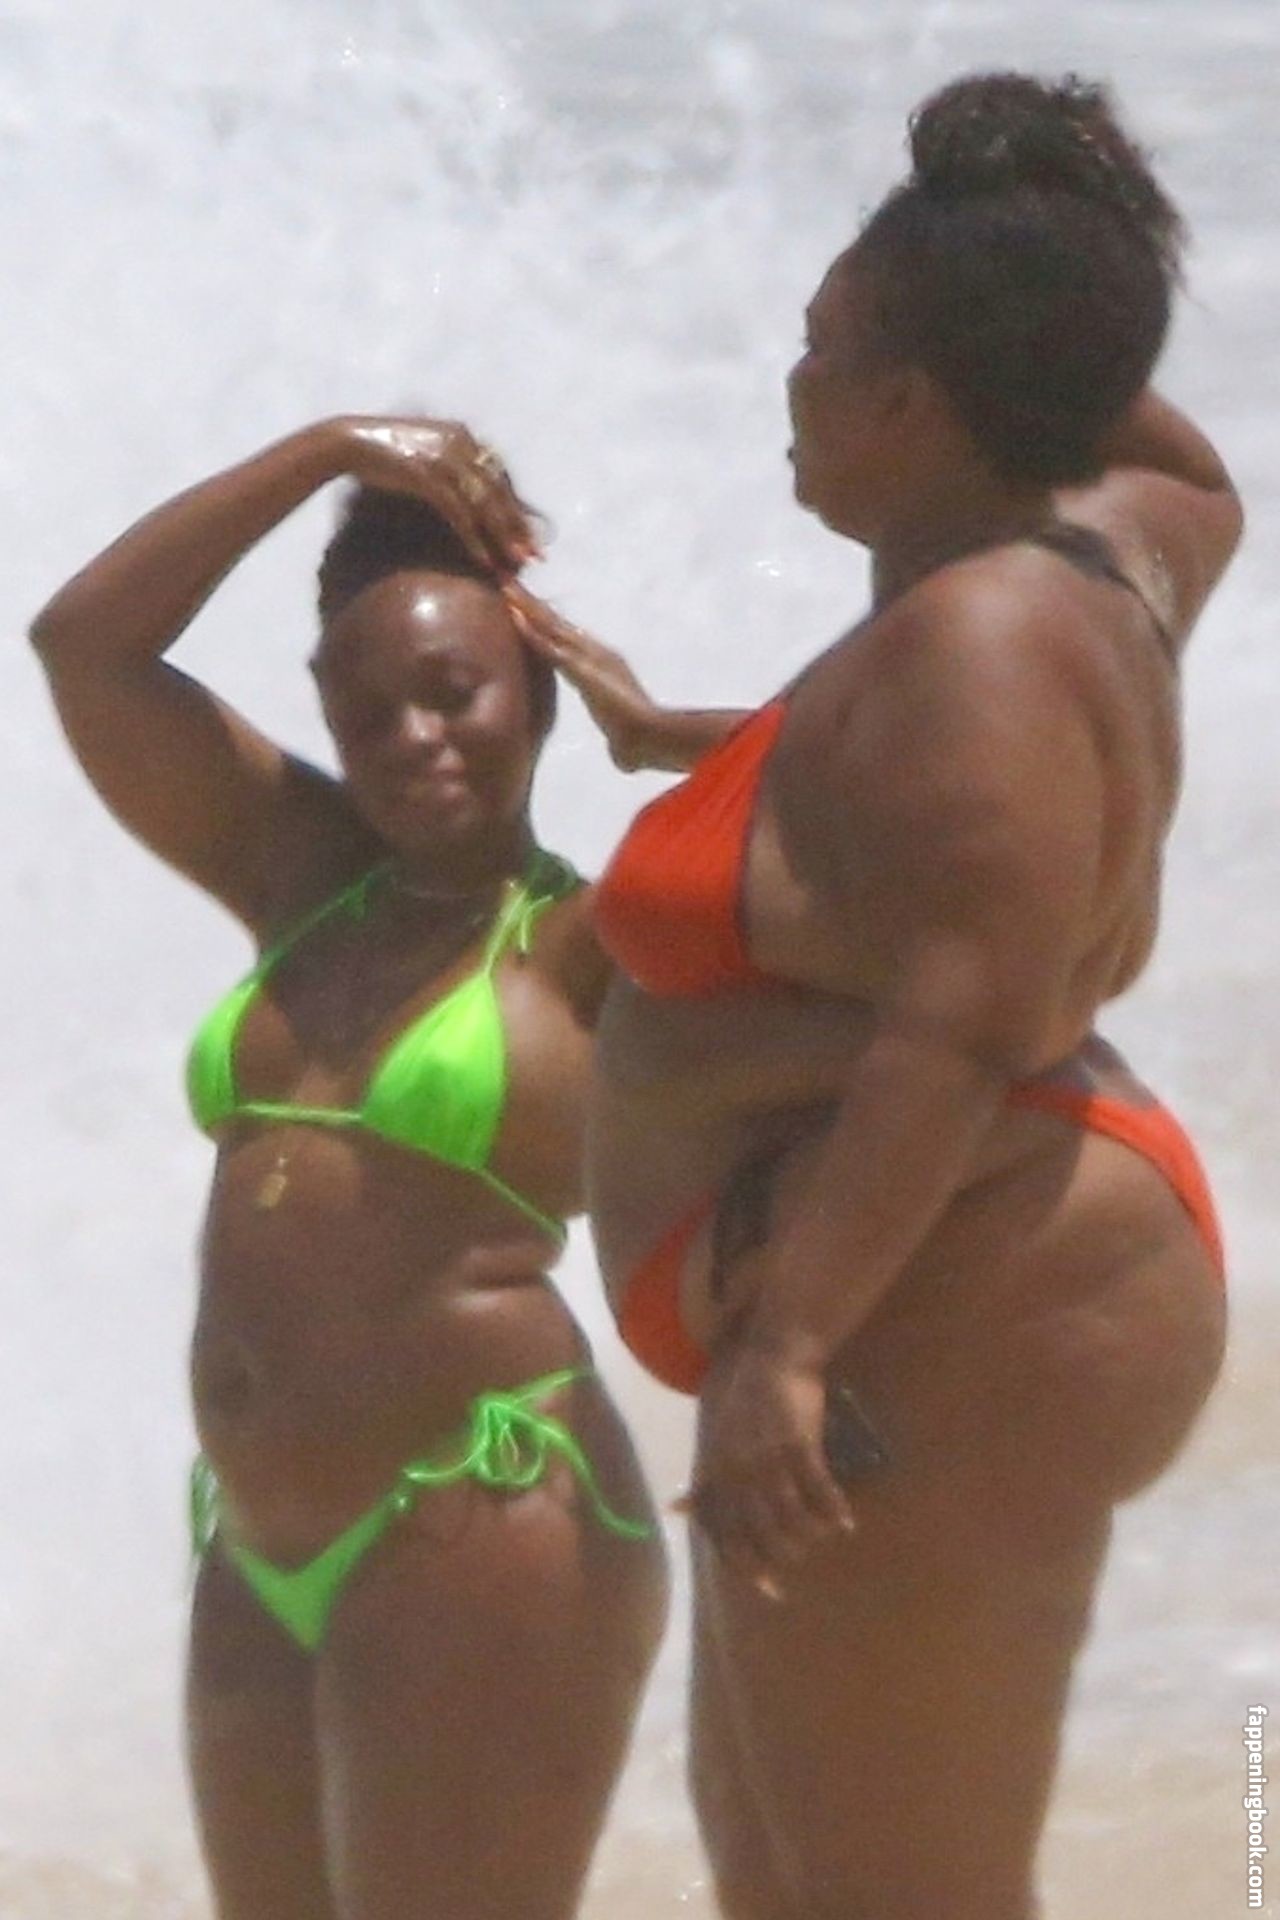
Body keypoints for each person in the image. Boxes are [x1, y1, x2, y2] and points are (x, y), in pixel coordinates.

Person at [575, 72, 1242, 1920]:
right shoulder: (1113, 541)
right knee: (785, 1873)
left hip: (947, 1287)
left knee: (893, 1894)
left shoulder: (982, 647)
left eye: (824, 350)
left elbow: (964, 1020)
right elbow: (1194, 476)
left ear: (911, 403)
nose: (788, 385)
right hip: (925, 1269)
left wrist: (788, 1346)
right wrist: (1029, 275)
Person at [28, 415, 724, 1920]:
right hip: (256, 1538)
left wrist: (665, 731)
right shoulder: (301, 873)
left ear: (540, 688)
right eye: (366, 712)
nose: (414, 738)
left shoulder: (596, 939)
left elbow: (877, 789)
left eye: (454, 692)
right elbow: (83, 645)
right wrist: (325, 450)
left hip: (480, 1509)